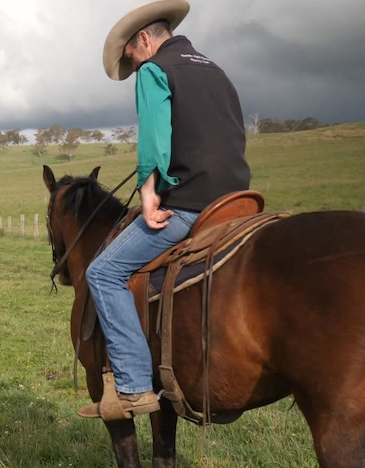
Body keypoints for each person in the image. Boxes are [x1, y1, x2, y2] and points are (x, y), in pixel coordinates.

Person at [79, 0, 251, 419]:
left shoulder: (157, 70)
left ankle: (135, 388)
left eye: (133, 60)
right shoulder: (216, 71)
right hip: (238, 201)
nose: (137, 68)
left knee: (102, 272)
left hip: (191, 204)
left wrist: (149, 191)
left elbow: (155, 140)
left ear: (143, 39)